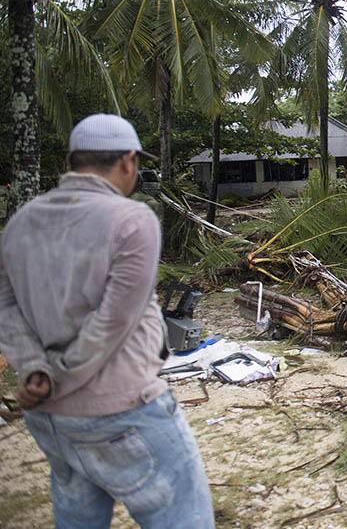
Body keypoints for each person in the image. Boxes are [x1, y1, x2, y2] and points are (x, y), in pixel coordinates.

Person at [0, 114, 214, 528]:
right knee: (183, 516)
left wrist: (35, 371)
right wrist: (59, 374)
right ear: (128, 161)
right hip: (123, 410)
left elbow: (6, 309)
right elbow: (113, 322)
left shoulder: (20, 222)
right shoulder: (131, 221)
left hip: (48, 416)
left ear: (72, 160)